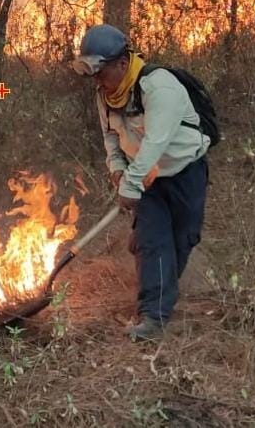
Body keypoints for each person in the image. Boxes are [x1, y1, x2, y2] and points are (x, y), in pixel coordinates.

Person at [72, 24, 210, 341]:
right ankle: (153, 316)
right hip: (145, 177)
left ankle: (159, 282)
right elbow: (110, 137)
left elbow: (155, 144)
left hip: (184, 172)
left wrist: (130, 186)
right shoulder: (105, 94)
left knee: (182, 239)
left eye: (101, 71)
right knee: (153, 240)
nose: (97, 81)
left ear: (122, 63)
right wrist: (118, 170)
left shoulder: (159, 87)